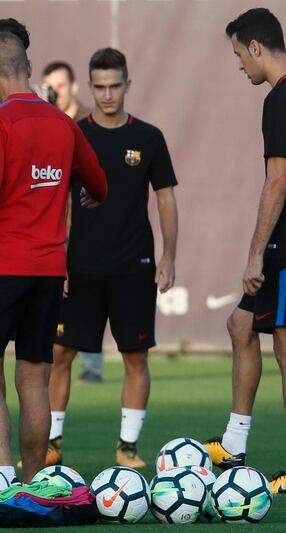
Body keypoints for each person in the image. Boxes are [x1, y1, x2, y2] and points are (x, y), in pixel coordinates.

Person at [204, 8, 286, 496]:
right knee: (241, 325)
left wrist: (256, 252)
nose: (239, 64)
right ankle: (235, 442)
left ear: (256, 47)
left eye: (239, 54)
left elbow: (278, 179)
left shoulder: (281, 98)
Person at [46, 47, 178, 469]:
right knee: (60, 353)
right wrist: (58, 257)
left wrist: (168, 255)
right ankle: (51, 444)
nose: (107, 95)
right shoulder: (71, 133)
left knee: (135, 358)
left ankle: (128, 449)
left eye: (114, 86)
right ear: (90, 86)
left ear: (127, 85)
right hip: (80, 266)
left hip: (133, 265)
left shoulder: (149, 138)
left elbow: (166, 199)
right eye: (99, 87)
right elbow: (57, 200)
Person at [0, 32, 106, 483]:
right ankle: (31, 484)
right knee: (34, 379)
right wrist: (84, 195)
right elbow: (98, 184)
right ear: (28, 68)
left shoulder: (3, 123)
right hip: (47, 270)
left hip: (4, 265)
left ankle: (3, 480)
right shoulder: (64, 124)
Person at [42, 61, 101, 386]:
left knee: (91, 292)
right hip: (57, 224)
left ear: (74, 87)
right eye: (49, 86)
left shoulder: (88, 123)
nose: (55, 92)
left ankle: (92, 364)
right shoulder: (43, 122)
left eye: (60, 86)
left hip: (89, 223)